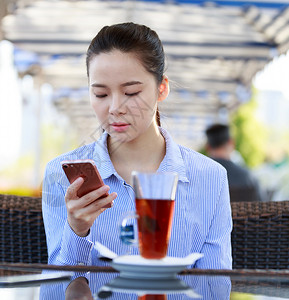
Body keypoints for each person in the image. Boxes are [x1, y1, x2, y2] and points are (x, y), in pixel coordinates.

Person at [42, 22, 232, 270]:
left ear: (161, 88)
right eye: (101, 94)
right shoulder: (61, 176)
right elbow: (58, 288)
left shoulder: (210, 178)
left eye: (131, 92)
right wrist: (77, 231)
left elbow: (214, 286)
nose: (114, 108)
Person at [205, 124, 263, 202]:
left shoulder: (197, 177)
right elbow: (262, 204)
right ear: (231, 142)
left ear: (208, 147)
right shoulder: (248, 177)